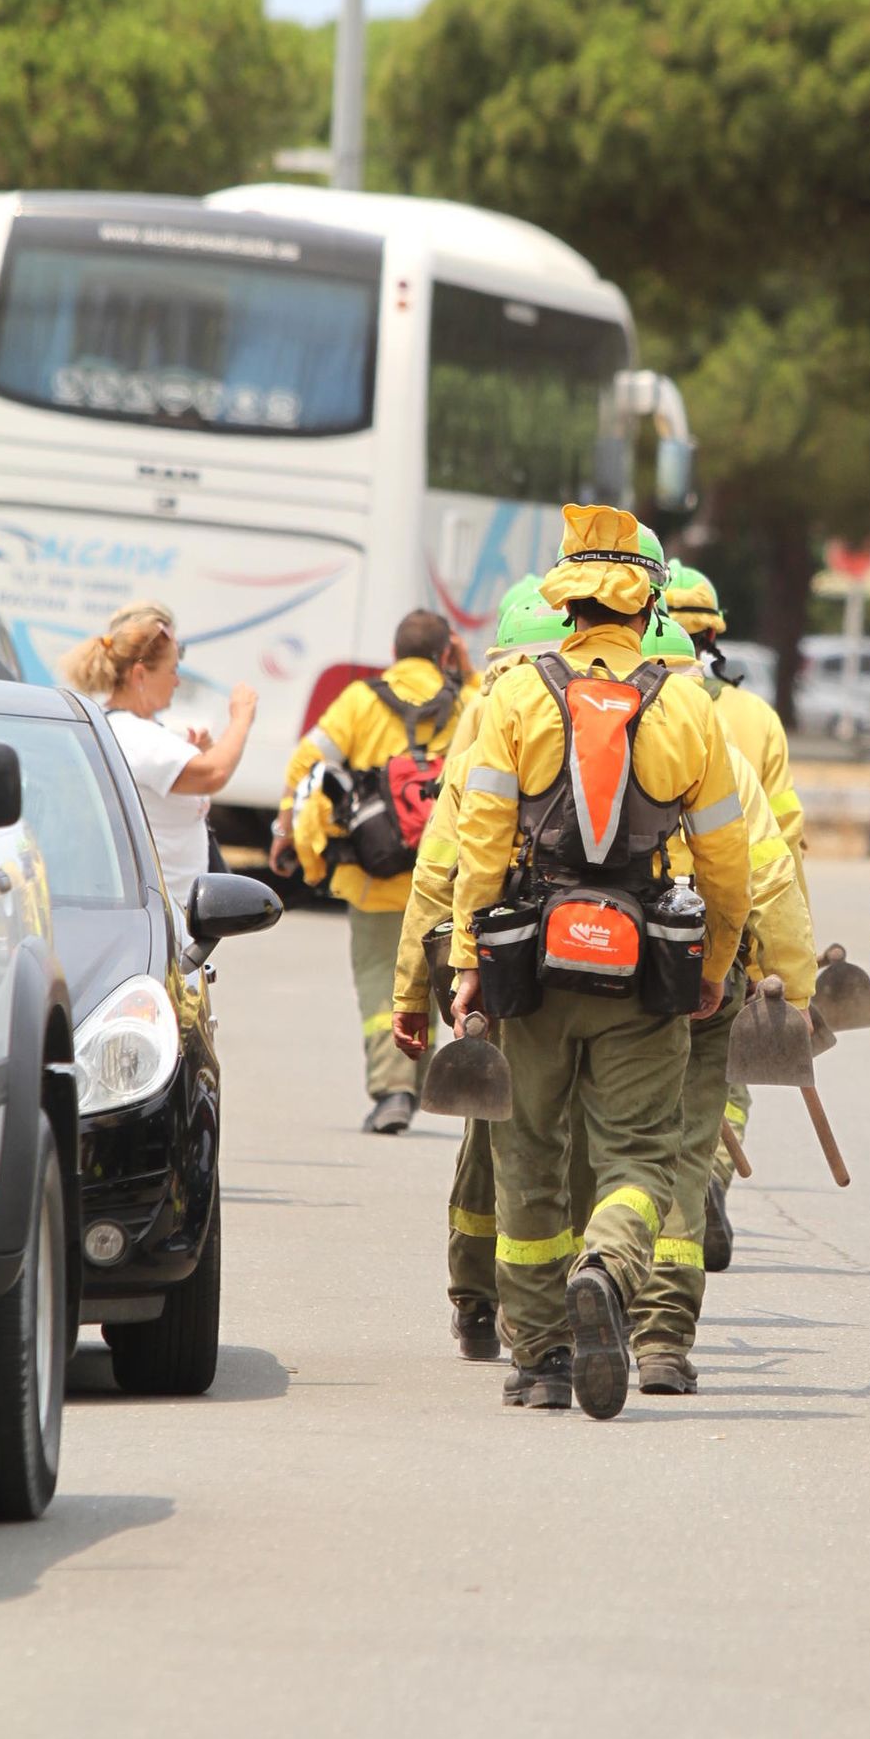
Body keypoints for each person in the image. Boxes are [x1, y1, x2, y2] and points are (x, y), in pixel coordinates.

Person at [448, 505, 751, 1421]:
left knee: (528, 1152)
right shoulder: (691, 706)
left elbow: (481, 846)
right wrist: (716, 964)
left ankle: (538, 1357)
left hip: (530, 968)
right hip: (648, 969)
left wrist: (470, 960)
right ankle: (610, 1268)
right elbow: (728, 862)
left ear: (566, 595)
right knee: (642, 1153)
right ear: (647, 603)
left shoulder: (511, 698)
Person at [627, 612, 818, 1394]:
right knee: (683, 1143)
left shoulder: (559, 728)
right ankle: (664, 1336)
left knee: (605, 1143)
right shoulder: (724, 751)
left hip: (596, 979)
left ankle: (577, 1306)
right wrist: (791, 987)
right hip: (702, 976)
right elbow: (766, 874)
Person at [390, 576, 572, 1362]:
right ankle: (563, 1291)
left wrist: (414, 990)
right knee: (562, 1129)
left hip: (483, 950)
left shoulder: (490, 711)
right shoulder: (606, 707)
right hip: (581, 952)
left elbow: (441, 866)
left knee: (491, 1128)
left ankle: (475, 1296)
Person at [275, 610, 474, 1135]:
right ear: (445, 654)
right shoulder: (467, 701)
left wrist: (284, 830)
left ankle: (393, 1090)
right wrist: (468, 674)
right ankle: (434, 1082)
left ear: (394, 653)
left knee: (380, 984)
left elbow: (306, 762)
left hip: (373, 873)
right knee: (445, 976)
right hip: (448, 875)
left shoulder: (361, 700)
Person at [664, 561, 810, 1269]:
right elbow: (783, 847)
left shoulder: (617, 708)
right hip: (735, 933)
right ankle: (710, 1178)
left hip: (636, 940)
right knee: (721, 1084)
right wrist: (793, 971)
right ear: (714, 634)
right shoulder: (752, 719)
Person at [61, 602, 257, 910]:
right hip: (163, 917)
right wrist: (241, 718)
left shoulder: (137, 730)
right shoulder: (135, 735)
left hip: (168, 915)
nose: (177, 681)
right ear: (140, 674)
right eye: (172, 670)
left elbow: (197, 777)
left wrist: (200, 753)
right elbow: (212, 774)